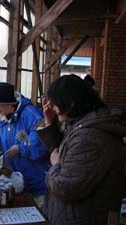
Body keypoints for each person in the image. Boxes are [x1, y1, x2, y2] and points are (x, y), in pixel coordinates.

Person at [37, 74, 126, 225]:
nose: (50, 106)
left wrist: (56, 164)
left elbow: (65, 188)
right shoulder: (82, 124)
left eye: (55, 102)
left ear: (70, 104)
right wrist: (49, 122)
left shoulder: (90, 137)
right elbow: (61, 150)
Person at [0, 82, 50, 207]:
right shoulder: (0, 120)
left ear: (10, 103)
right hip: (20, 185)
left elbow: (41, 144)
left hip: (40, 185)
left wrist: (20, 148)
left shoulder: (30, 114)